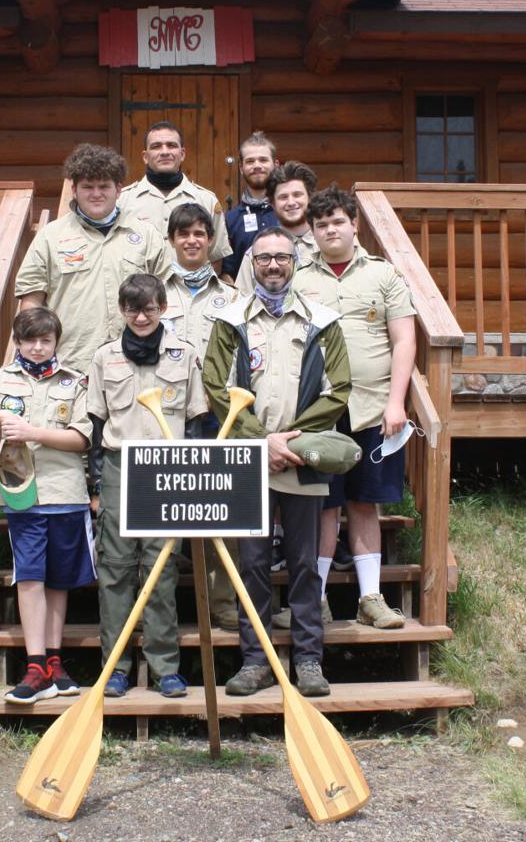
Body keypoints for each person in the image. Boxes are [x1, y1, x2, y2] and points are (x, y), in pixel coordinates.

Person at [201, 227, 352, 698]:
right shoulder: (230, 321)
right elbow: (216, 389)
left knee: (305, 562)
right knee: (253, 563)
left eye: (281, 258)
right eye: (263, 258)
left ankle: (309, 659)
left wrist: (290, 440)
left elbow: (339, 389)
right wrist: (261, 442)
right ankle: (255, 659)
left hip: (302, 455)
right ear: (250, 263)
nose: (272, 265)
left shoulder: (322, 321)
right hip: (250, 457)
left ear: (294, 263)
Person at [0, 307, 93, 704]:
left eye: (45, 340)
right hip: (22, 494)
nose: (36, 347)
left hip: (65, 493)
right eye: (29, 340)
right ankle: (34, 666)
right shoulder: (1, 381)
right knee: (30, 576)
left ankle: (53, 661)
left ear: (56, 343)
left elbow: (82, 439)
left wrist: (34, 432)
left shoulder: (74, 383)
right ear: (17, 342)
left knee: (60, 580)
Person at [292, 186, 416, 629]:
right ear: (312, 231)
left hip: (373, 407)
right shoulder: (300, 278)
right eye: (321, 224)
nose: (329, 230)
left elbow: (404, 340)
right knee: (323, 503)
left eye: (337, 222)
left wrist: (396, 402)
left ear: (354, 224)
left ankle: (370, 598)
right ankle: (316, 599)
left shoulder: (383, 276)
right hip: (320, 411)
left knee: (365, 502)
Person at [88, 273, 211, 699]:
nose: (141, 317)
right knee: (117, 570)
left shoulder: (184, 354)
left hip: (168, 468)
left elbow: (196, 422)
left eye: (150, 308)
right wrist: (95, 487)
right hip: (121, 467)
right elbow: (96, 425)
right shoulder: (105, 358)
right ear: (122, 311)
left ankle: (166, 667)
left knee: (161, 569)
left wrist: (191, 476)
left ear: (163, 309)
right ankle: (115, 666)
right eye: (133, 309)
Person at [160, 201, 243, 631]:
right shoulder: (152, 294)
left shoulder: (233, 299)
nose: (191, 240)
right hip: (167, 416)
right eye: (183, 233)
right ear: (171, 240)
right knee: (164, 513)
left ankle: (223, 603)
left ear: (211, 241)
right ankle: (161, 609)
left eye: (199, 233)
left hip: (216, 416)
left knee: (221, 512)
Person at [15, 143, 170, 371]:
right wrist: (35, 353)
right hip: (72, 364)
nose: (96, 194)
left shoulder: (146, 235)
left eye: (104, 186)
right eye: (88, 187)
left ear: (118, 190)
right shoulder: (50, 237)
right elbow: (31, 302)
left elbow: (170, 295)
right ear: (74, 190)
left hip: (138, 362)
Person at [117, 121, 231, 264]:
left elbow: (216, 258)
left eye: (171, 145)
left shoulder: (206, 201)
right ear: (145, 156)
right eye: (156, 146)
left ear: (182, 153)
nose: (165, 152)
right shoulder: (122, 201)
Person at [232, 160, 318, 292]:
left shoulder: (328, 246)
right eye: (283, 197)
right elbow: (242, 305)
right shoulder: (255, 253)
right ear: (272, 204)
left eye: (297, 195)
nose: (291, 202)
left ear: (310, 198)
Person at [219, 131, 278, 283]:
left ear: (276, 165)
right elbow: (227, 273)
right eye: (250, 161)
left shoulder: (290, 213)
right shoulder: (229, 220)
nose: (257, 165)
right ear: (241, 167)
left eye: (263, 160)